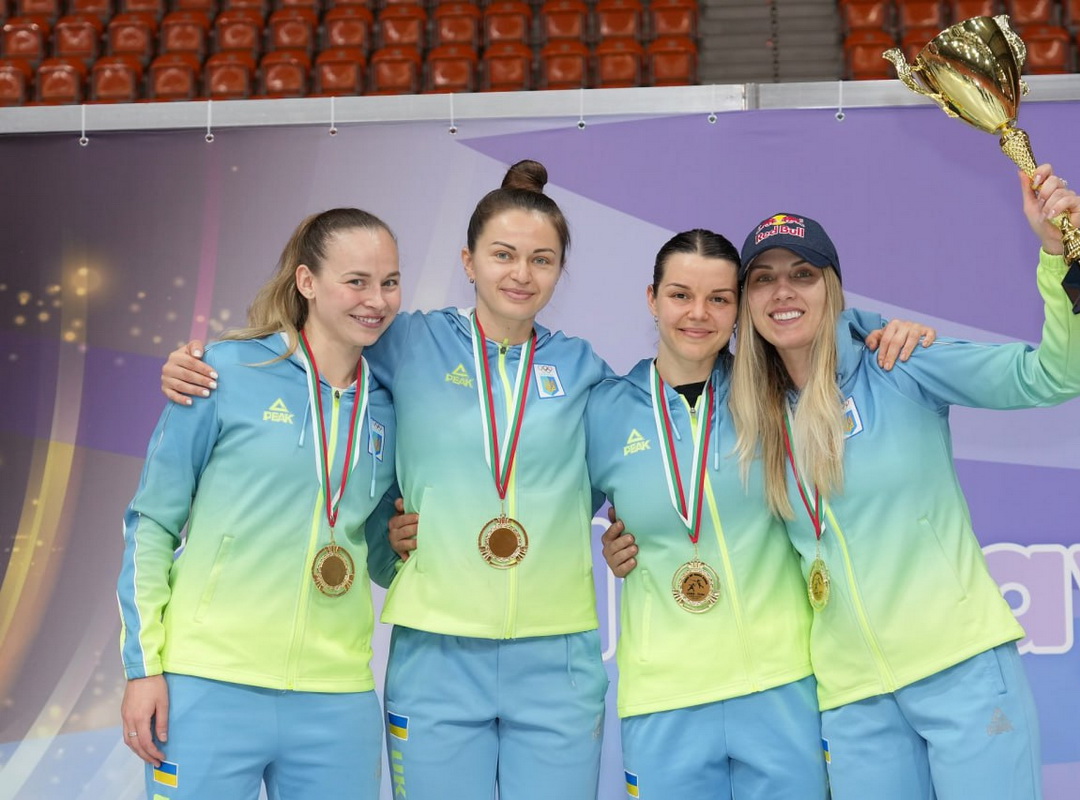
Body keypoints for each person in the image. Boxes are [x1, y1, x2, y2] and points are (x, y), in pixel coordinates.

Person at [158, 160, 932, 799]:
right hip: (436, 653)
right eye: (502, 255)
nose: (520, 274)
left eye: (541, 259)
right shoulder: (407, 343)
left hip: (557, 658)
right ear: (468, 262)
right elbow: (324, 357)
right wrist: (212, 363)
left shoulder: (584, 372)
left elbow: (648, 462)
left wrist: (864, 327)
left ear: (560, 271)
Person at [727, 165, 1080, 800]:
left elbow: (1056, 376)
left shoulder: (898, 363)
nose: (782, 291)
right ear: (746, 302)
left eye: (802, 274)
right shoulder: (749, 418)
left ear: (832, 287)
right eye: (762, 278)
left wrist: (1057, 254)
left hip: (961, 670)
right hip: (854, 700)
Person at [589, 232, 934, 799]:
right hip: (664, 697)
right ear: (652, 298)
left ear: (740, 309)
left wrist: (888, 329)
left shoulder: (778, 388)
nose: (698, 314)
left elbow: (839, 345)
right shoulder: (604, 408)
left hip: (783, 685)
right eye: (680, 295)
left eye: (719, 299)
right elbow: (545, 508)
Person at [117, 208, 402, 800]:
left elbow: (378, 555)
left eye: (390, 282)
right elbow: (152, 523)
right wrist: (144, 668)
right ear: (307, 282)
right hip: (209, 682)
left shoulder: (389, 406)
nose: (376, 300)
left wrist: (404, 547)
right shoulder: (221, 373)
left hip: (336, 693)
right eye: (356, 281)